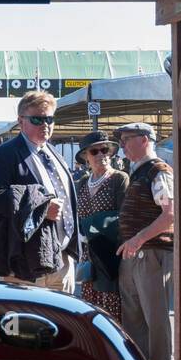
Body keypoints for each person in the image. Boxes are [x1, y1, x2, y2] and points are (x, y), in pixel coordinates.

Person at [0, 93, 78, 292]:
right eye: (37, 119)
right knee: (26, 323)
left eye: (49, 119)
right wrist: (43, 209)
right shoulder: (4, 154)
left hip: (62, 259)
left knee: (63, 323)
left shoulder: (55, 155)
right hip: (26, 262)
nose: (45, 125)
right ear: (21, 121)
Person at [111, 121, 174, 360]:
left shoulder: (158, 170)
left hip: (151, 252)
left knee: (154, 316)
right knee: (135, 316)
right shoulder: (140, 171)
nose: (122, 145)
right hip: (136, 251)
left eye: (127, 139)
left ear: (145, 139)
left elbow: (170, 214)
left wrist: (138, 239)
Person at [73, 130, 127, 320]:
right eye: (94, 152)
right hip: (88, 254)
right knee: (90, 306)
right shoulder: (80, 183)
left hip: (110, 253)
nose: (101, 155)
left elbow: (123, 217)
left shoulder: (119, 179)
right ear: (86, 157)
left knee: (112, 307)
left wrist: (89, 226)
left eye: (104, 150)